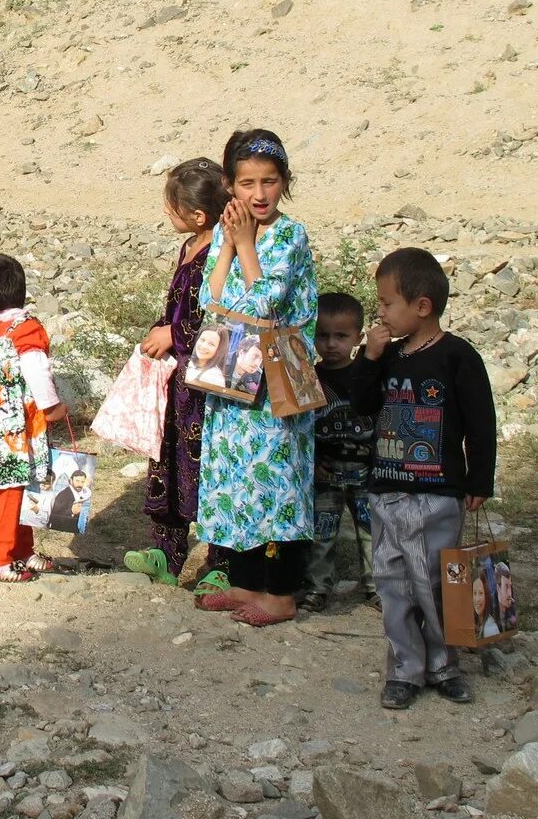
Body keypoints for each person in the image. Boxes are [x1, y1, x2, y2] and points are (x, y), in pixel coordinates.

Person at [350, 246, 497, 710]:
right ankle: (404, 670)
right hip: (388, 490)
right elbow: (359, 402)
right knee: (392, 581)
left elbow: (481, 422)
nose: (381, 313)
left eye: (388, 304)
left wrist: (479, 481)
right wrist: (369, 358)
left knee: (436, 581)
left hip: (439, 494)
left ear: (422, 306)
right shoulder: (387, 357)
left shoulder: (458, 358)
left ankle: (444, 665)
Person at [194, 128, 318, 628]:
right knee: (232, 477)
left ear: (284, 182)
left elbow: (261, 303)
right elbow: (213, 299)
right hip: (231, 373)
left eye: (269, 181)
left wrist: (245, 244)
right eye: (247, 183)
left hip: (275, 381)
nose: (259, 194)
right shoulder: (227, 229)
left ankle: (282, 593)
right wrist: (230, 244)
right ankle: (243, 581)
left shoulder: (291, 234)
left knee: (278, 481)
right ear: (230, 184)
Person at [125, 158, 231, 594]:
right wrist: (159, 330)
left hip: (205, 386)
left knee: (208, 466)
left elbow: (218, 316)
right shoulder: (188, 247)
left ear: (198, 215)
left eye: (171, 207)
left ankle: (222, 562)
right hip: (176, 381)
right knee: (165, 458)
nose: (166, 214)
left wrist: (175, 333)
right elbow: (176, 306)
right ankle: (165, 553)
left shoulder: (221, 253)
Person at [0, 253, 70, 582]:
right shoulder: (25, 331)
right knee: (9, 490)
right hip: (16, 424)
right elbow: (37, 370)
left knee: (14, 486)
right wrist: (52, 407)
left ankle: (21, 551)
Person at [301, 291, 378, 612]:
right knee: (322, 533)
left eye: (341, 336)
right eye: (322, 336)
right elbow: (303, 427)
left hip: (365, 472)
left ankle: (377, 587)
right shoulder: (310, 377)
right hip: (326, 472)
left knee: (372, 533)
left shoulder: (368, 374)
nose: (331, 344)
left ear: (358, 337)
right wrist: (313, 461)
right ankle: (317, 587)